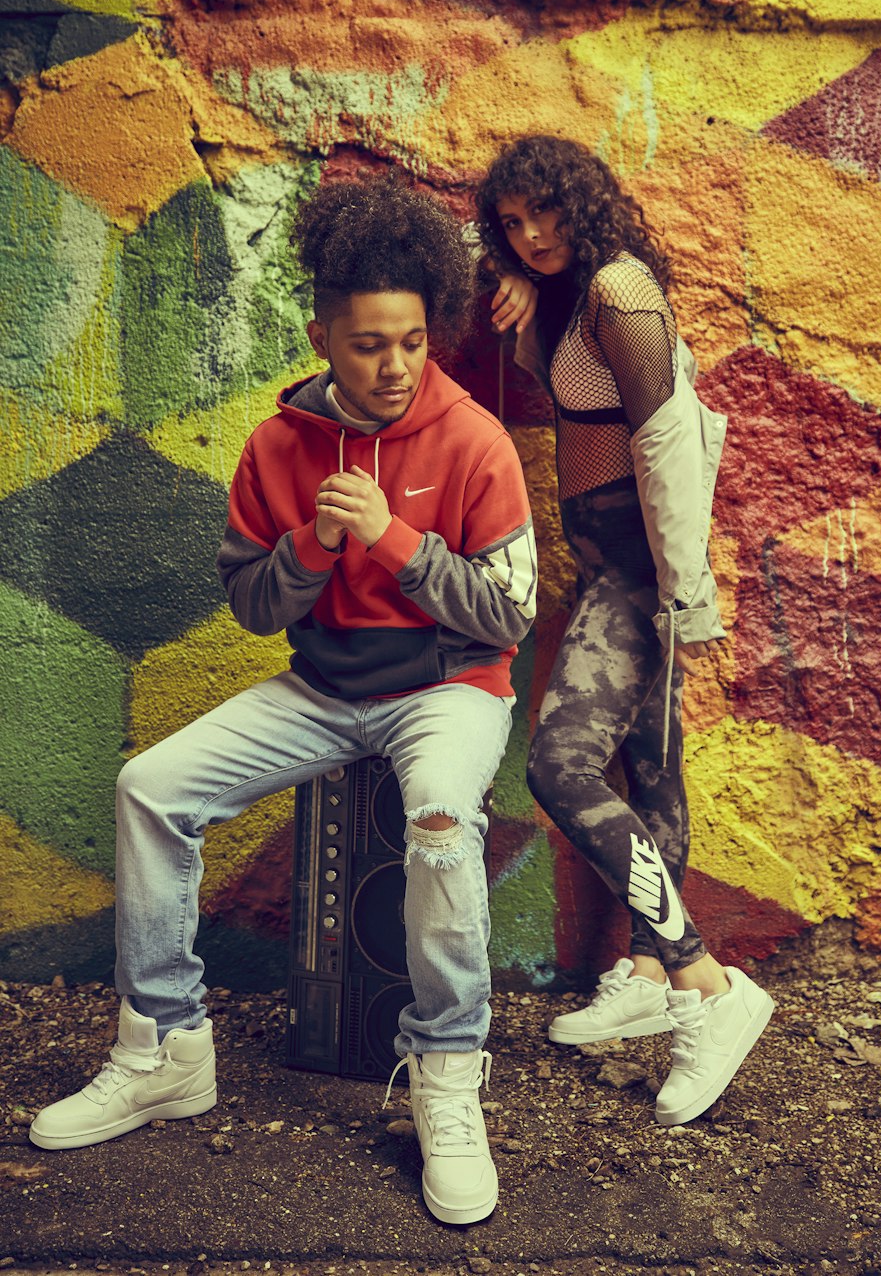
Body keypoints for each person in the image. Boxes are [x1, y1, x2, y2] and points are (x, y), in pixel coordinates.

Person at [29, 173, 538, 1227]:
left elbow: (505, 617)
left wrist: (394, 542)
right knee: (149, 787)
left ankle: (446, 1076)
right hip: (321, 688)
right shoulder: (275, 447)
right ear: (321, 336)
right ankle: (166, 1048)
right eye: (366, 344)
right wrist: (314, 542)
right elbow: (257, 605)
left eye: (409, 340)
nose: (394, 366)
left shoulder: (474, 440)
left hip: (447, 690)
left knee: (441, 821)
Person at [475, 135, 773, 1127]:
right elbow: (576, 406)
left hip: (642, 567)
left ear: (583, 202)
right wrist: (522, 303)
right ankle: (647, 967)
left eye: (545, 213)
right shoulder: (572, 294)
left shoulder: (620, 287)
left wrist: (681, 594)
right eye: (512, 223)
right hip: (615, 560)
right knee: (649, 764)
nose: (531, 233)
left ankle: (705, 986)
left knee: (559, 764)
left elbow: (665, 443)